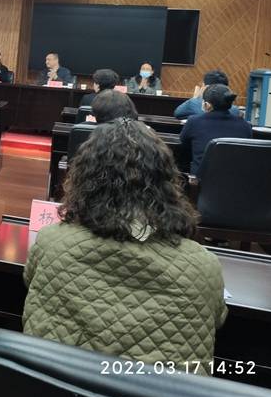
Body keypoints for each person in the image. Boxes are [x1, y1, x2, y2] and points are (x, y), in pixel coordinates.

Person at [23, 119, 227, 371]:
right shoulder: (204, 266)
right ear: (167, 184)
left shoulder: (51, 242)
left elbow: (29, 279)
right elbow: (218, 317)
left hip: (55, 384)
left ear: (84, 180)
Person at [179, 84, 252, 176]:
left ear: (207, 105)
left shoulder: (194, 121)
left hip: (202, 179)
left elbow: (183, 142)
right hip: (234, 178)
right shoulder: (245, 125)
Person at [174, 70, 240, 120]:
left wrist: (195, 98)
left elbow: (177, 113)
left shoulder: (194, 103)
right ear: (227, 88)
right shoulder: (235, 110)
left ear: (206, 87)